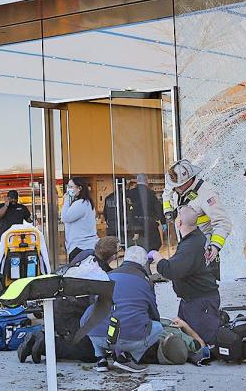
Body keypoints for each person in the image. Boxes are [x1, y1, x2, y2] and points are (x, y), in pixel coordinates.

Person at [83, 246, 162, 373]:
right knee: (158, 328)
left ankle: (101, 359)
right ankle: (127, 358)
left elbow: (93, 303)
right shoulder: (145, 282)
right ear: (143, 263)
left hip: (98, 335)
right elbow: (153, 313)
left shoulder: (106, 276)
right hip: (129, 338)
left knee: (92, 317)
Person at [153, 206, 221, 346]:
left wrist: (156, 256)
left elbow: (171, 270)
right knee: (186, 339)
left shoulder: (191, 245)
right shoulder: (197, 238)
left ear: (179, 223)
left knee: (202, 345)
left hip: (200, 302)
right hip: (194, 299)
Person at [161, 159, 231, 267]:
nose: (176, 188)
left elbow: (223, 222)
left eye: (179, 185)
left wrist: (215, 245)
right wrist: (168, 211)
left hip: (202, 247)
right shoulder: (176, 186)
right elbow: (166, 194)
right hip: (184, 244)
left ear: (189, 180)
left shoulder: (207, 193)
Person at [62, 178, 98, 261]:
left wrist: (66, 200)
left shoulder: (81, 203)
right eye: (68, 186)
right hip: (86, 245)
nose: (68, 189)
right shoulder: (86, 203)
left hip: (80, 246)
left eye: (71, 187)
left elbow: (65, 217)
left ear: (79, 188)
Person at [129, 174, 164, 252]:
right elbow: (158, 207)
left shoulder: (130, 193)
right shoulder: (151, 193)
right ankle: (149, 258)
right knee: (154, 244)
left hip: (134, 223)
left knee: (138, 245)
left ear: (137, 181)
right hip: (149, 222)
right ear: (146, 181)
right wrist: (162, 220)